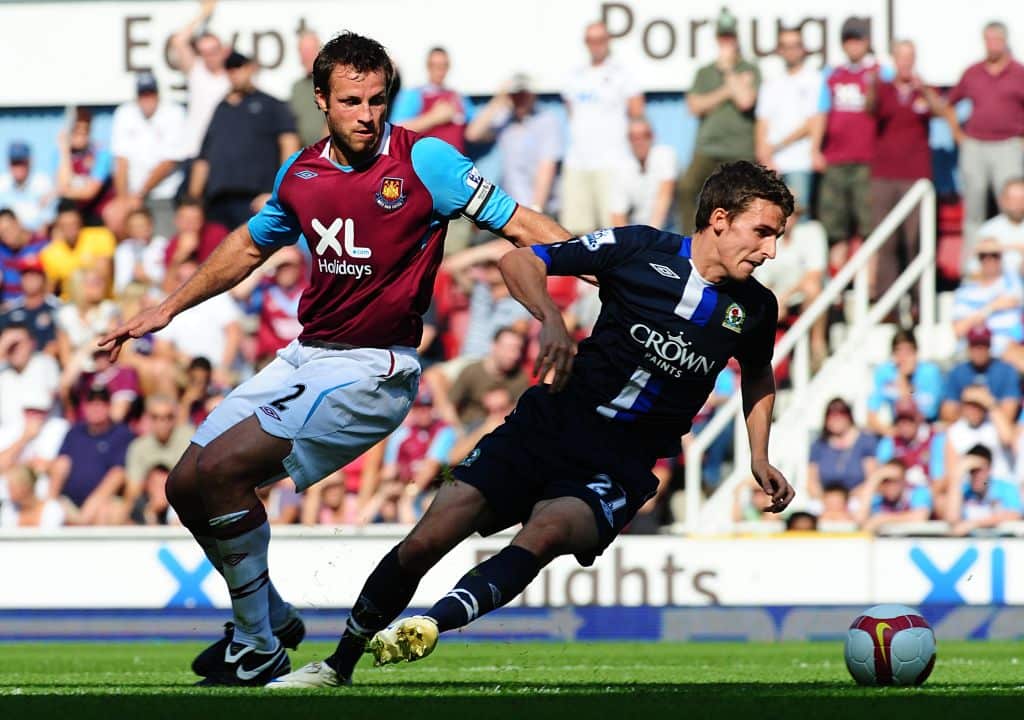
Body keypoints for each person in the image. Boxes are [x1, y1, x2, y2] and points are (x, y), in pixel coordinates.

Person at [99, 31, 568, 686]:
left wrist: (609, 263)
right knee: (185, 485)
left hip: (373, 368)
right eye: (351, 101)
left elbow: (521, 221)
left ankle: (257, 641)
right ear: (321, 99)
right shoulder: (302, 175)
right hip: (306, 355)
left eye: (377, 100)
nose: (367, 115)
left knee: (227, 471)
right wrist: (168, 307)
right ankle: (268, 613)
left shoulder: (426, 161)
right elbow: (248, 246)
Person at [268, 160, 796, 688]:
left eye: (776, 237)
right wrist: (551, 319)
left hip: (622, 462)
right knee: (426, 540)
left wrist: (758, 456)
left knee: (547, 532)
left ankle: (430, 623)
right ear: (720, 219)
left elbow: (757, 376)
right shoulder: (640, 249)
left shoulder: (754, 308)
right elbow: (520, 260)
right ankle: (338, 664)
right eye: (764, 232)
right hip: (549, 424)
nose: (770, 250)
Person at [190, 51, 300, 230]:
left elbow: (289, 144)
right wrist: (193, 200)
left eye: (239, 67)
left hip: (255, 199)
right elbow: (204, 157)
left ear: (250, 68)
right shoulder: (221, 109)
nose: (235, 73)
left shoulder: (270, 105)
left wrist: (279, 192)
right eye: (230, 69)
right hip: (217, 201)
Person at [869, 40, 945, 301]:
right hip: (884, 174)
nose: (905, 62)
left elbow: (941, 111)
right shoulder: (884, 90)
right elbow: (870, 110)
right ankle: (886, 301)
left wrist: (923, 89)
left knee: (916, 240)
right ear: (894, 59)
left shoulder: (923, 91)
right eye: (901, 57)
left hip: (916, 175)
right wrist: (873, 85)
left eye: (909, 57)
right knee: (886, 240)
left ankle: (919, 299)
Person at [944, 22, 1024, 257]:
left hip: (1008, 144)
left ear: (1005, 41)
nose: (993, 45)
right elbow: (949, 105)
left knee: (1013, 209)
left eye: (997, 39)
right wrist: (958, 134)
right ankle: (971, 269)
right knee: (973, 210)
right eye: (988, 39)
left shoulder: (1018, 73)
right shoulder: (973, 72)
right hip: (976, 145)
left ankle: (1014, 266)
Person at [677, 8, 759, 235]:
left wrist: (729, 70)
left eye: (730, 37)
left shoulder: (750, 69)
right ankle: (689, 240)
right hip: (707, 147)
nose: (727, 42)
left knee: (741, 200)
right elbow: (694, 106)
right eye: (723, 38)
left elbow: (745, 101)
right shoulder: (704, 72)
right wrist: (729, 88)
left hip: (739, 148)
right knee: (686, 189)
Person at [560, 21, 644, 237]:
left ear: (608, 42)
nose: (596, 45)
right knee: (577, 231)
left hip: (611, 161)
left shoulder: (622, 74)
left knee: (611, 231)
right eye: (592, 40)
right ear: (586, 43)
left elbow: (637, 112)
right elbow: (571, 111)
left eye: (601, 40)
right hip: (578, 161)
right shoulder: (574, 75)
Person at [811, 18, 882, 264]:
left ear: (866, 43)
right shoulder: (833, 75)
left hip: (868, 161)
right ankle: (837, 293)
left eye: (858, 40)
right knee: (835, 229)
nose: (853, 46)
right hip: (835, 160)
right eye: (849, 40)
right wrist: (815, 149)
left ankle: (869, 290)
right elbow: (822, 112)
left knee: (868, 227)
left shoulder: (880, 73)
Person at [464, 73, 562, 216]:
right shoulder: (505, 119)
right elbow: (472, 134)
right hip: (509, 209)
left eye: (524, 94)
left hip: (537, 209)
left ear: (533, 95)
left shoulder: (546, 120)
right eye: (515, 95)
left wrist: (536, 210)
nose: (520, 99)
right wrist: (498, 100)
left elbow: (547, 167)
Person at [109, 72, 188, 239]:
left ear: (158, 94)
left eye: (150, 94)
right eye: (143, 94)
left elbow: (168, 162)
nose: (147, 99)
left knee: (162, 244)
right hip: (132, 197)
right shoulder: (125, 113)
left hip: (164, 196)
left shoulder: (174, 112)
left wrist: (138, 195)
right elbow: (121, 161)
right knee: (124, 238)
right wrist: (122, 201)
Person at [754, 27, 821, 212]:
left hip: (800, 161)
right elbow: (762, 120)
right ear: (779, 50)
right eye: (785, 46)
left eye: (795, 45)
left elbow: (812, 123)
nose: (791, 50)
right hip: (773, 164)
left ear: (803, 49)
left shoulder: (814, 80)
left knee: (799, 214)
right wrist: (763, 153)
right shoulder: (771, 82)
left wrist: (776, 146)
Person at [46, 385, 134, 526]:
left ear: (109, 406)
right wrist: (50, 504)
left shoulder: (122, 434)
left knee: (107, 511)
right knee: (51, 509)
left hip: (103, 502)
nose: (96, 407)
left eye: (101, 403)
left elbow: (117, 475)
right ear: (85, 406)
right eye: (91, 403)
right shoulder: (75, 432)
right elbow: (61, 463)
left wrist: (88, 510)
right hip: (69, 501)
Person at [752, 204, 827, 363]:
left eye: (791, 213)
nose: (787, 218)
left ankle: (817, 345)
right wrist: (775, 299)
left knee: (812, 289)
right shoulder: (770, 239)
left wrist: (783, 298)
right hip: (778, 297)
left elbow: (814, 274)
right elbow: (763, 278)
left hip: (798, 296)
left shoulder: (812, 232)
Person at [169, 0, 230, 164]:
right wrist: (204, 13)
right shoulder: (197, 72)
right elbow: (179, 41)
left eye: (213, 51)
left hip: (221, 152)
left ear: (223, 51)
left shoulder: (232, 78)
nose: (209, 57)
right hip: (193, 152)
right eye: (204, 53)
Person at [951, 238, 1024, 371]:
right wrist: (991, 308)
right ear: (978, 259)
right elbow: (958, 330)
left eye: (994, 255)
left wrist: (1003, 246)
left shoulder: (1013, 282)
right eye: (984, 256)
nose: (989, 260)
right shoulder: (965, 292)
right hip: (981, 347)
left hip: (1014, 346)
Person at [865, 329, 944, 436]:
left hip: (926, 429)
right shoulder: (884, 373)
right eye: (898, 352)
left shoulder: (930, 373)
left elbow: (926, 413)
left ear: (916, 353)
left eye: (908, 353)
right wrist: (890, 433)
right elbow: (871, 416)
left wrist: (904, 384)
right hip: (898, 429)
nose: (903, 358)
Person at [941, 324, 1019, 426]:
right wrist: (972, 410)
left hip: (996, 431)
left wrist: (986, 401)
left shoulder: (1006, 371)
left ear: (990, 346)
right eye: (975, 345)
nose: (979, 350)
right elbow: (947, 414)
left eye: (983, 345)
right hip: (966, 428)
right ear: (968, 347)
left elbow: (1009, 415)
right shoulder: (958, 372)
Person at [609, 118, 677, 230]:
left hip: (671, 228)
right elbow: (617, 214)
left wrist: (649, 237)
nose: (639, 141)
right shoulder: (622, 166)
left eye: (645, 135)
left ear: (653, 136)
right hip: (639, 230)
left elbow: (665, 196)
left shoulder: (665, 155)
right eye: (633, 137)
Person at [39, 200, 115, 299]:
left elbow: (104, 275)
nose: (70, 230)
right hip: (70, 306)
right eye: (65, 225)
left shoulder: (101, 236)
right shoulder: (50, 253)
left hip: (101, 301)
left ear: (80, 222)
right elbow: (49, 290)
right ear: (58, 226)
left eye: (73, 224)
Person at [55, 108, 115, 227]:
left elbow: (89, 193)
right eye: (76, 130)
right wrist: (64, 151)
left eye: (85, 131)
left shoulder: (101, 154)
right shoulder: (61, 155)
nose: (81, 136)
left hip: (97, 216)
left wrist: (60, 192)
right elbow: (63, 184)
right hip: (73, 219)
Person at [944, 444, 1022, 536]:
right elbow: (952, 519)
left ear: (989, 469)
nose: (976, 475)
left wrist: (975, 524)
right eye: (972, 471)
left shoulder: (1005, 488)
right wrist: (956, 478)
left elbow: (1015, 514)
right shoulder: (965, 490)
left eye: (979, 470)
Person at [807, 397, 877, 497]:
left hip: (857, 498)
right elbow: (811, 481)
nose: (836, 419)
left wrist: (848, 499)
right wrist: (826, 500)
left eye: (841, 414)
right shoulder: (818, 445)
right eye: (831, 415)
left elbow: (872, 478)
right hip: (826, 499)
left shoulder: (865, 441)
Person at [0, 256, 60, 356]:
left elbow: (58, 343)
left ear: (43, 278)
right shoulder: (11, 309)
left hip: (45, 362)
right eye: (26, 274)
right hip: (14, 365)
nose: (30, 279)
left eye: (34, 274)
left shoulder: (56, 308)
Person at [854, 461, 933, 534]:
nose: (890, 486)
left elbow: (920, 517)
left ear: (904, 480)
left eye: (895, 481)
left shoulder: (918, 492)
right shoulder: (878, 499)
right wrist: (875, 479)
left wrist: (882, 519)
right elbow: (860, 519)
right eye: (886, 481)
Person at [0, 141, 55, 233]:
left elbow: (48, 220)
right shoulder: (2, 184)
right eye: (15, 163)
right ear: (8, 164)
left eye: (22, 162)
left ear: (30, 162)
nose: (18, 167)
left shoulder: (43, 183)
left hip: (36, 238)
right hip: (7, 238)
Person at [973, 177, 1024, 277]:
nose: (1018, 204)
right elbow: (974, 271)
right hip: (997, 286)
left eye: (1022, 198)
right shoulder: (988, 229)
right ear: (1002, 200)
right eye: (1013, 199)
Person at [0, 208, 48, 304]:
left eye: (8, 229)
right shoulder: (2, 249)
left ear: (18, 223)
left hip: (35, 306)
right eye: (1, 233)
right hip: (6, 309)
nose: (6, 236)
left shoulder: (42, 246)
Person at [290, 30, 327, 146]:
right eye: (302, 51)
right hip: (305, 156)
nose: (306, 55)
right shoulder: (297, 88)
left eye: (310, 50)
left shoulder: (331, 82)